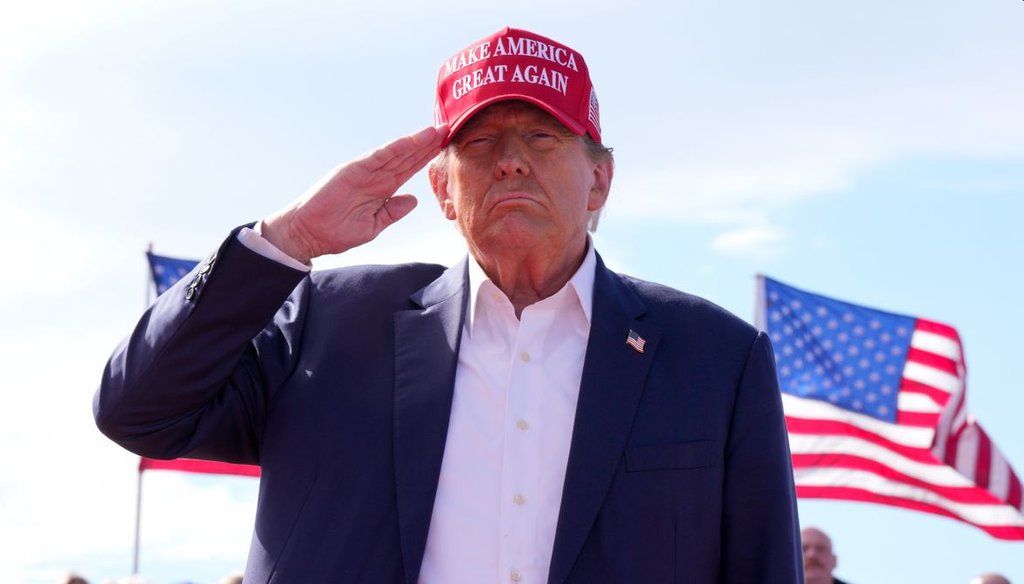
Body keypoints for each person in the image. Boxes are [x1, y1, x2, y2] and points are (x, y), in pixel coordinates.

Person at [94, 26, 802, 583]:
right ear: (442, 190)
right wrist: (290, 238)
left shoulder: (716, 359)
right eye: (482, 141)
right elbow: (140, 411)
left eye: (543, 136)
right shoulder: (327, 326)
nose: (512, 160)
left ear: (599, 182)